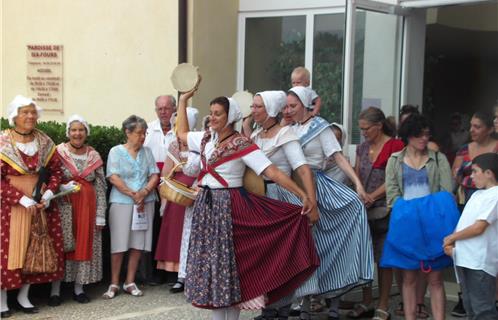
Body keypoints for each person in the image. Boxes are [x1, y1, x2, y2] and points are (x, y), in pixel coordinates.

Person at [176, 85, 319, 320]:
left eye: (218, 113)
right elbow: (181, 133)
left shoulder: (242, 144)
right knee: (213, 269)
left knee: (229, 269)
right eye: (211, 112)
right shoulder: (205, 139)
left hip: (227, 207)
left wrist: (302, 195)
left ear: (230, 117)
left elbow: (271, 171)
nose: (212, 117)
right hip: (205, 207)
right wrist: (183, 101)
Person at [284, 86, 374, 320]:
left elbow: (338, 157)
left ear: (305, 105)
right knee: (304, 246)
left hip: (318, 187)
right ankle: (302, 303)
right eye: (287, 106)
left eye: (293, 106)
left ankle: (332, 301)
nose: (289, 110)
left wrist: (358, 186)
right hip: (295, 186)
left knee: (328, 244)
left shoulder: (320, 127)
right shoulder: (289, 128)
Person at [245, 90, 318, 320]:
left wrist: (311, 201)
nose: (253, 110)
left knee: (281, 255)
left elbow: (302, 168)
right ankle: (270, 306)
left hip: (280, 198)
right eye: (253, 106)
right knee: (265, 255)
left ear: (271, 110)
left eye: (258, 107)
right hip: (260, 198)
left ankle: (281, 307)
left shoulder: (285, 135)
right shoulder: (257, 136)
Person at [384, 114, 454, 320]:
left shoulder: (438, 158)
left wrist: (424, 211)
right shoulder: (395, 160)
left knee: (436, 278)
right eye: (419, 134)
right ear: (408, 135)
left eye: (427, 134)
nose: (424, 138)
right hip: (407, 225)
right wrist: (409, 213)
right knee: (409, 278)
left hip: (434, 224)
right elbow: (392, 197)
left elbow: (446, 194)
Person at [0, 95, 65, 317]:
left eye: (32, 112)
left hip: (38, 204)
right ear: (14, 116)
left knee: (33, 249)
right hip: (10, 207)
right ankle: (2, 301)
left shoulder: (44, 142)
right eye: (24, 112)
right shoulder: (2, 142)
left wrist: (48, 192)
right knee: (7, 251)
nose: (29, 116)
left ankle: (23, 296)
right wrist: (18, 197)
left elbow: (57, 171)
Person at [349, 107, 404, 320]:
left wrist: (372, 195)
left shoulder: (395, 146)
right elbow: (356, 172)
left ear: (379, 126)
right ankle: (366, 300)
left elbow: (396, 178)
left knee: (383, 258)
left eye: (366, 129)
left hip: (386, 208)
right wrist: (360, 193)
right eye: (361, 129)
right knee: (365, 257)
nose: (363, 133)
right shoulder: (362, 148)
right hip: (364, 208)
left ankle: (383, 303)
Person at [47, 115, 107, 306]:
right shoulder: (58, 152)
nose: (77, 133)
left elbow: (100, 186)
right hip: (64, 206)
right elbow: (50, 178)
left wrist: (100, 213)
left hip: (88, 209)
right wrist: (61, 188)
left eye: (81, 130)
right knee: (62, 245)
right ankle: (55, 291)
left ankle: (79, 288)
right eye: (73, 130)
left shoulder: (94, 155)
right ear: (68, 132)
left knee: (84, 244)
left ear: (86, 133)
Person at [103, 115, 160, 299]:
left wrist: (144, 192)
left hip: (145, 202)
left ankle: (130, 281)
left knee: (138, 243)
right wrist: (133, 194)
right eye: (138, 133)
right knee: (119, 243)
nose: (142, 137)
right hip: (122, 201)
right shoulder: (116, 151)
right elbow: (113, 176)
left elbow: (154, 174)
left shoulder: (147, 152)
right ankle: (113, 283)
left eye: (144, 133)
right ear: (127, 133)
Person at [443, 153, 498, 320]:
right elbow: (467, 224)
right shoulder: (477, 195)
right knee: (470, 307)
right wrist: (453, 246)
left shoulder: (495, 194)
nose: (472, 176)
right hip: (464, 257)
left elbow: (478, 227)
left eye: (475, 171)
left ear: (489, 173)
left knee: (483, 309)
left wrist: (452, 238)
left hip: (479, 261)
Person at [155, 107, 199, 293]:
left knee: (193, 234)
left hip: (196, 190)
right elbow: (167, 171)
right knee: (176, 233)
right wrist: (165, 197)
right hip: (178, 192)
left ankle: (194, 273)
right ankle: (179, 275)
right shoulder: (174, 144)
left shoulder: (199, 142)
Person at [142, 95, 177, 285]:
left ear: (174, 109)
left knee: (172, 229)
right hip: (153, 183)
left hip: (175, 183)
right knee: (154, 227)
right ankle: (155, 272)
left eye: (167, 108)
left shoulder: (181, 129)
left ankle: (172, 271)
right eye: (160, 109)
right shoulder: (148, 129)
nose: (163, 112)